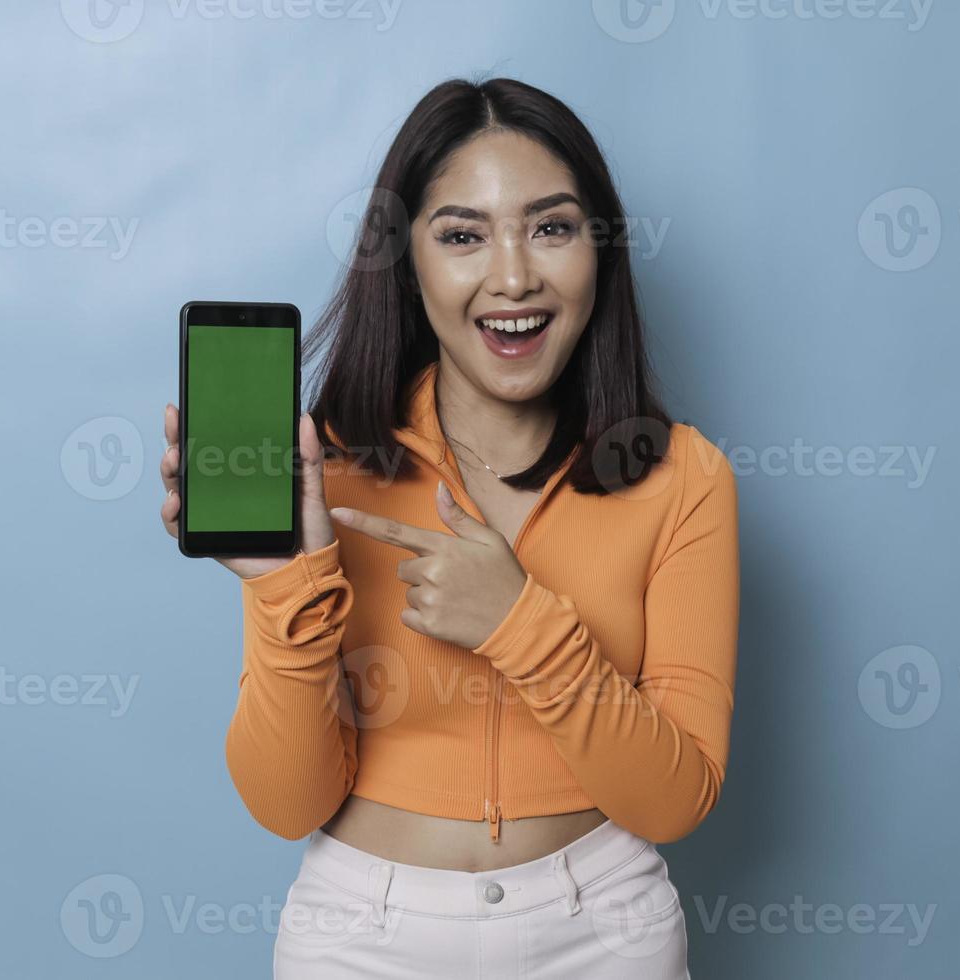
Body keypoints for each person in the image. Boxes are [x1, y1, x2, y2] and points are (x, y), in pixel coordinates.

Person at [160, 75, 739, 979]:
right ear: (409, 263)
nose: (513, 276)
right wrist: (286, 584)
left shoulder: (682, 478)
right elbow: (286, 802)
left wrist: (520, 625)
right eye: (462, 235)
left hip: (603, 932)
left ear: (602, 250)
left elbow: (674, 802)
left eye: (551, 227)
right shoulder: (330, 468)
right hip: (362, 936)